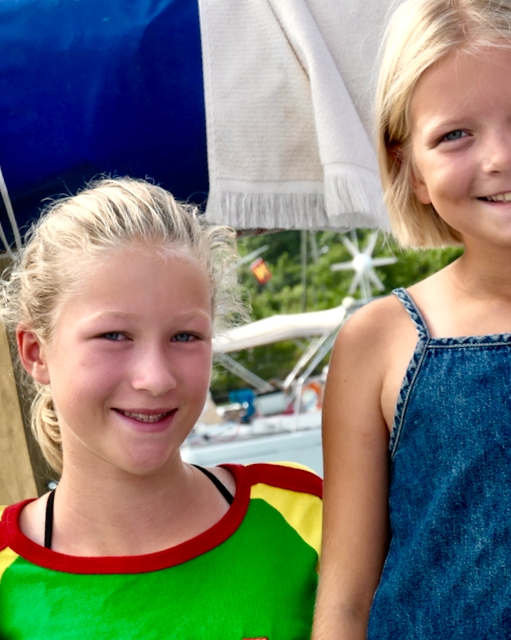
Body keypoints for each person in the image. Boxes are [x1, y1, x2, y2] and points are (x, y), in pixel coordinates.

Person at [312, 0, 511, 638]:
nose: (502, 157)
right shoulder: (377, 342)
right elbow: (346, 600)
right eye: (454, 135)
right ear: (409, 169)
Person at [0, 177, 322, 639]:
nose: (155, 378)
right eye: (114, 335)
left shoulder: (307, 517)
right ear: (36, 352)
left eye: (185, 336)